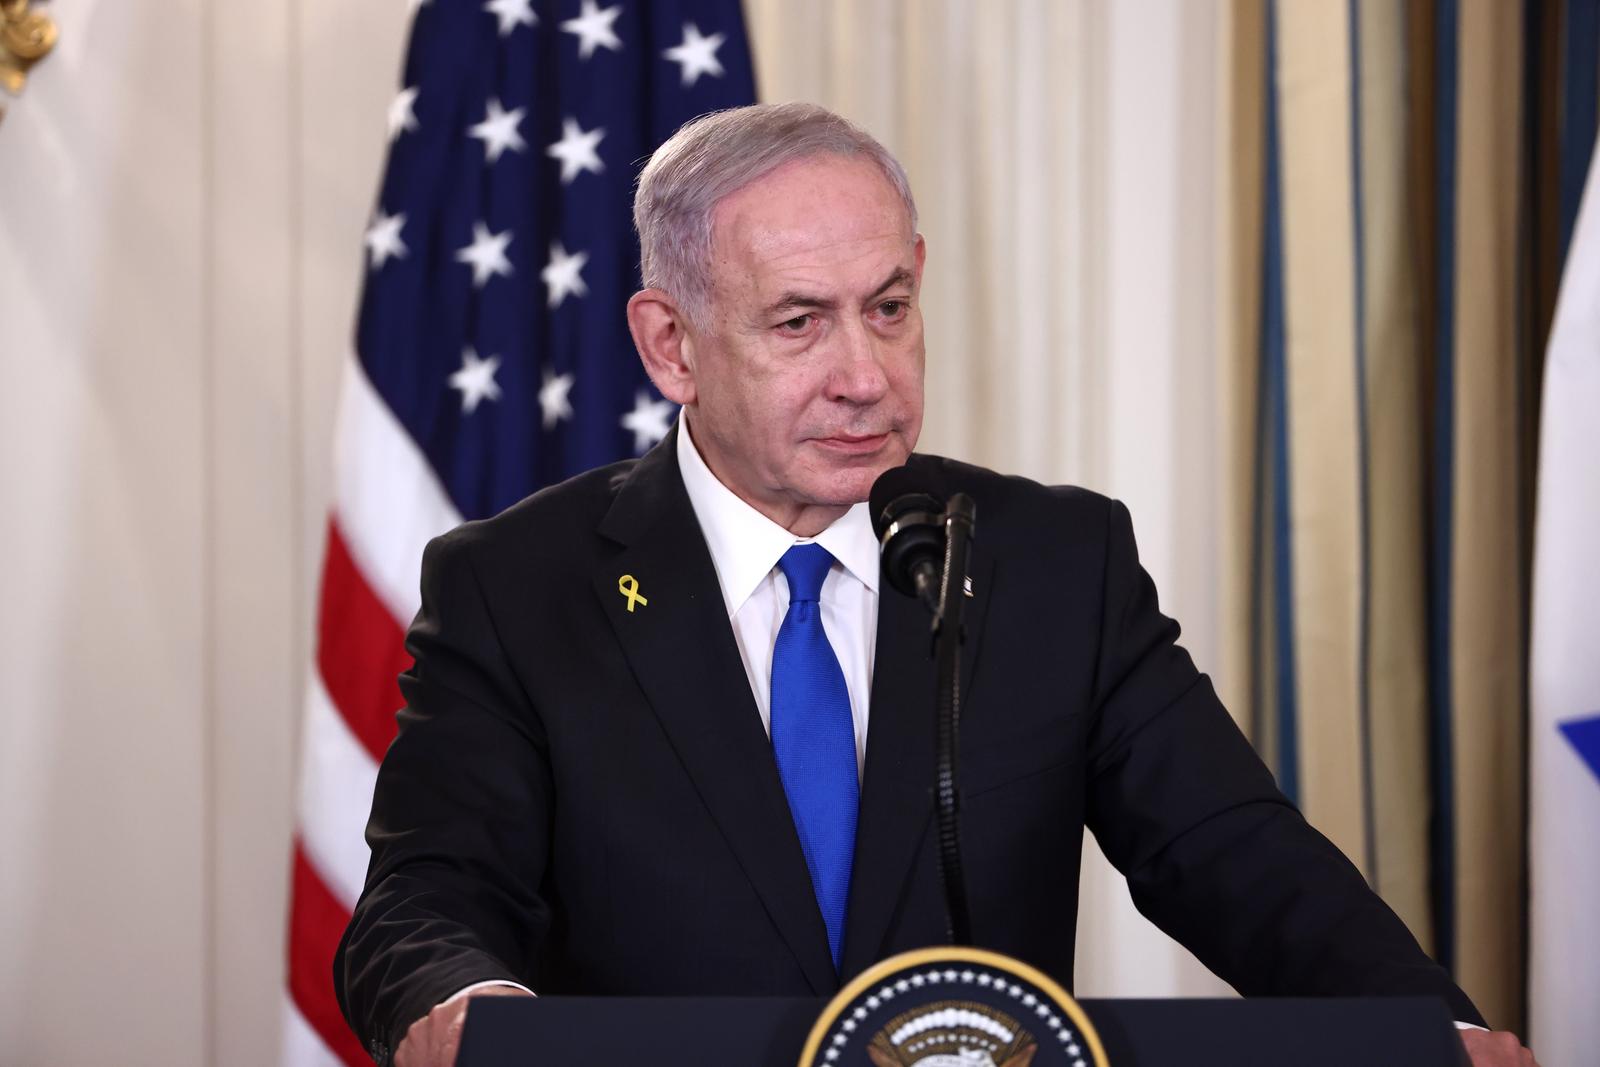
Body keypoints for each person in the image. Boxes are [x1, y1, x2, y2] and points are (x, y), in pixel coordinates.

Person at [334, 102, 1536, 1067]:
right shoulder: (518, 587)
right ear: (671, 344)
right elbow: (425, 896)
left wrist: (1425, 1031)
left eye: (890, 309)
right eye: (799, 322)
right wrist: (466, 1001)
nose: (866, 375)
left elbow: (1235, 855)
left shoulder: (1056, 562)